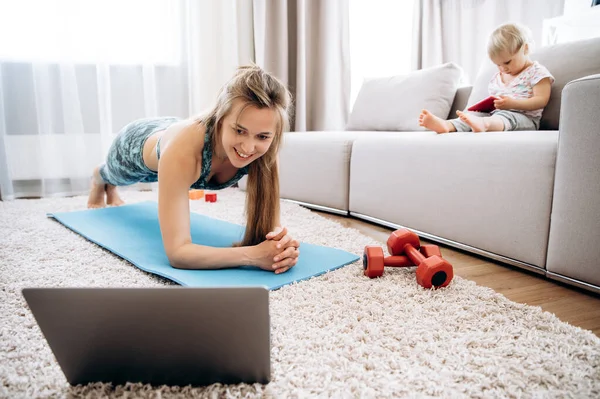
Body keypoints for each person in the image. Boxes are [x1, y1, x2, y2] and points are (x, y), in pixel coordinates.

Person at [87, 64, 300, 274]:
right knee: (117, 176)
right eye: (239, 130)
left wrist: (282, 249)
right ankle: (99, 178)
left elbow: (271, 233)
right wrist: (252, 256)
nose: (248, 147)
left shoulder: (268, 152)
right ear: (220, 119)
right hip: (136, 144)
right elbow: (178, 253)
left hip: (173, 133)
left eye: (262, 136)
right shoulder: (184, 150)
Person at [419, 22, 554, 133]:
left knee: (503, 117)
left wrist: (512, 104)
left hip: (525, 118)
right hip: (494, 116)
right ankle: (447, 126)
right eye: (498, 65)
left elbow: (541, 100)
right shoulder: (499, 76)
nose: (503, 69)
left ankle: (484, 125)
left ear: (525, 49)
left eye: (507, 62)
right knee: (473, 116)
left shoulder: (537, 72)